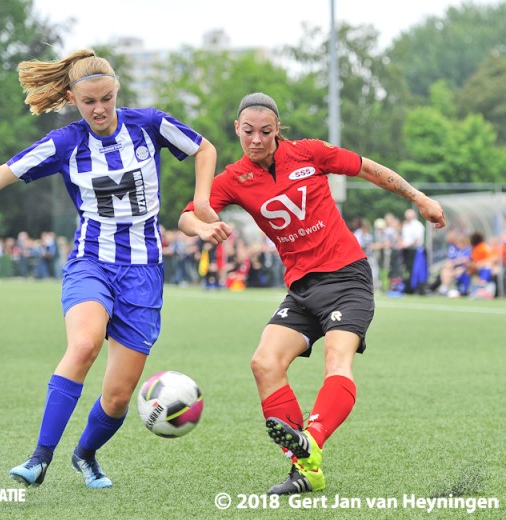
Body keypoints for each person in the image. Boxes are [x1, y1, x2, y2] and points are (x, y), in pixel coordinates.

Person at [0, 49, 218, 490]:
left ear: (116, 92)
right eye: (88, 102)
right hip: (90, 263)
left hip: (144, 273)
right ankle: (39, 458)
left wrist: (204, 201)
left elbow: (204, 148)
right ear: (71, 99)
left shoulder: (150, 124)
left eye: (106, 99)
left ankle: (86, 455)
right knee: (83, 345)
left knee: (117, 397)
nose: (99, 109)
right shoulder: (66, 143)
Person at [178, 93, 446, 495]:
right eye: (248, 131)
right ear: (237, 129)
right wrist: (200, 229)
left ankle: (313, 439)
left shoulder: (309, 153)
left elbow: (367, 169)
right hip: (302, 290)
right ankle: (307, 470)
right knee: (264, 363)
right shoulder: (234, 178)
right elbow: (187, 214)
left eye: (265, 132)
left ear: (277, 130)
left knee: (336, 358)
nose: (256, 140)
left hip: (347, 279)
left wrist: (419, 198)